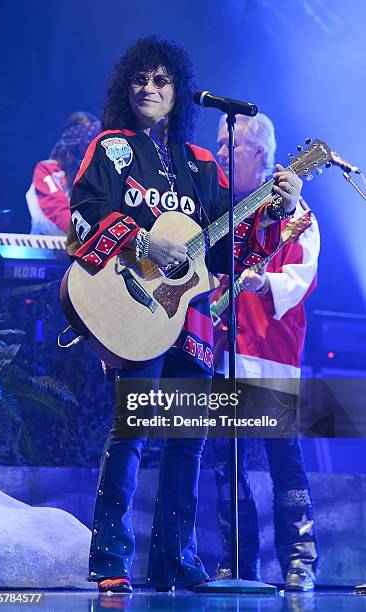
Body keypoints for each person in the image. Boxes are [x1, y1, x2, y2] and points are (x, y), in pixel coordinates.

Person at [65, 37, 302, 594]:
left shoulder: (199, 166)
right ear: (127, 87)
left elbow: (229, 250)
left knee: (188, 438)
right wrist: (144, 241)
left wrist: (279, 208)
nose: (149, 88)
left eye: (161, 80)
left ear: (179, 93)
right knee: (134, 432)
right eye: (140, 79)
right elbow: (82, 219)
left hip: (188, 321)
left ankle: (176, 560)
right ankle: (109, 560)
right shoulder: (112, 148)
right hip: (133, 309)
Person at [211, 112, 320, 591]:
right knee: (226, 463)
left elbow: (302, 275)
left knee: (284, 461)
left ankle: (299, 561)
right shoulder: (217, 212)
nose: (219, 153)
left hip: (270, 350)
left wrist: (262, 282)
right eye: (217, 144)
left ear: (261, 155)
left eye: (229, 146)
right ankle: (238, 562)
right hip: (220, 352)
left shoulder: (296, 213)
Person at [26, 112, 101, 235]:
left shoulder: (95, 174)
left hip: (86, 248)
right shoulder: (47, 170)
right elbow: (55, 211)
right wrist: (91, 236)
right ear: (74, 144)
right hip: (48, 249)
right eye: (88, 142)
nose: (92, 147)